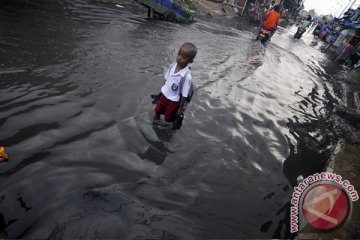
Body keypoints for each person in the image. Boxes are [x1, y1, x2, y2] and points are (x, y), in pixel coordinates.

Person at [153, 42, 197, 127]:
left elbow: (184, 95)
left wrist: (180, 110)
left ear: (190, 61)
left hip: (173, 102)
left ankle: (166, 134)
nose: (179, 58)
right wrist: (161, 94)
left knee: (168, 120)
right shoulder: (172, 66)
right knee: (157, 111)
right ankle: (154, 126)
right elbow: (166, 81)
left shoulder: (186, 77)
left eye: (183, 57)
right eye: (179, 54)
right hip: (163, 97)